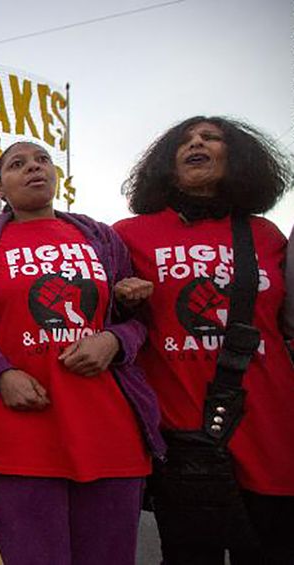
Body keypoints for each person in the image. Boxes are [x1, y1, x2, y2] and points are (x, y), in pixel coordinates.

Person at [0, 140, 163, 565]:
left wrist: (115, 340)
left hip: (109, 430)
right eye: (18, 164)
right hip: (19, 431)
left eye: (42, 160)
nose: (34, 168)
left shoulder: (101, 237)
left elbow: (140, 323)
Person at [114, 116, 294, 563]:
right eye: (185, 140)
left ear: (236, 158)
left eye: (211, 138)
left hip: (272, 430)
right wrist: (122, 300)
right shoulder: (128, 235)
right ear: (166, 165)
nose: (197, 143)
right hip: (185, 435)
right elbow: (106, 320)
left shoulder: (265, 235)